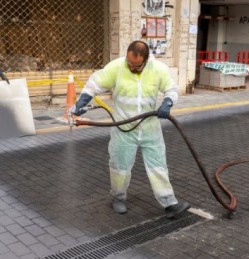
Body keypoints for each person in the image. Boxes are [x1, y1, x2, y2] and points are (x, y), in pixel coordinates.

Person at [73, 40, 190, 218]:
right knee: (120, 167)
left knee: (158, 166)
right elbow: (94, 84)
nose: (132, 67)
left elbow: (171, 89)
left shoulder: (158, 69)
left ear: (146, 60)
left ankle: (169, 204)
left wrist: (167, 102)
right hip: (123, 129)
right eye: (129, 63)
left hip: (150, 129)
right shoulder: (117, 67)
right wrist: (82, 102)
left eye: (136, 65)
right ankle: (118, 198)